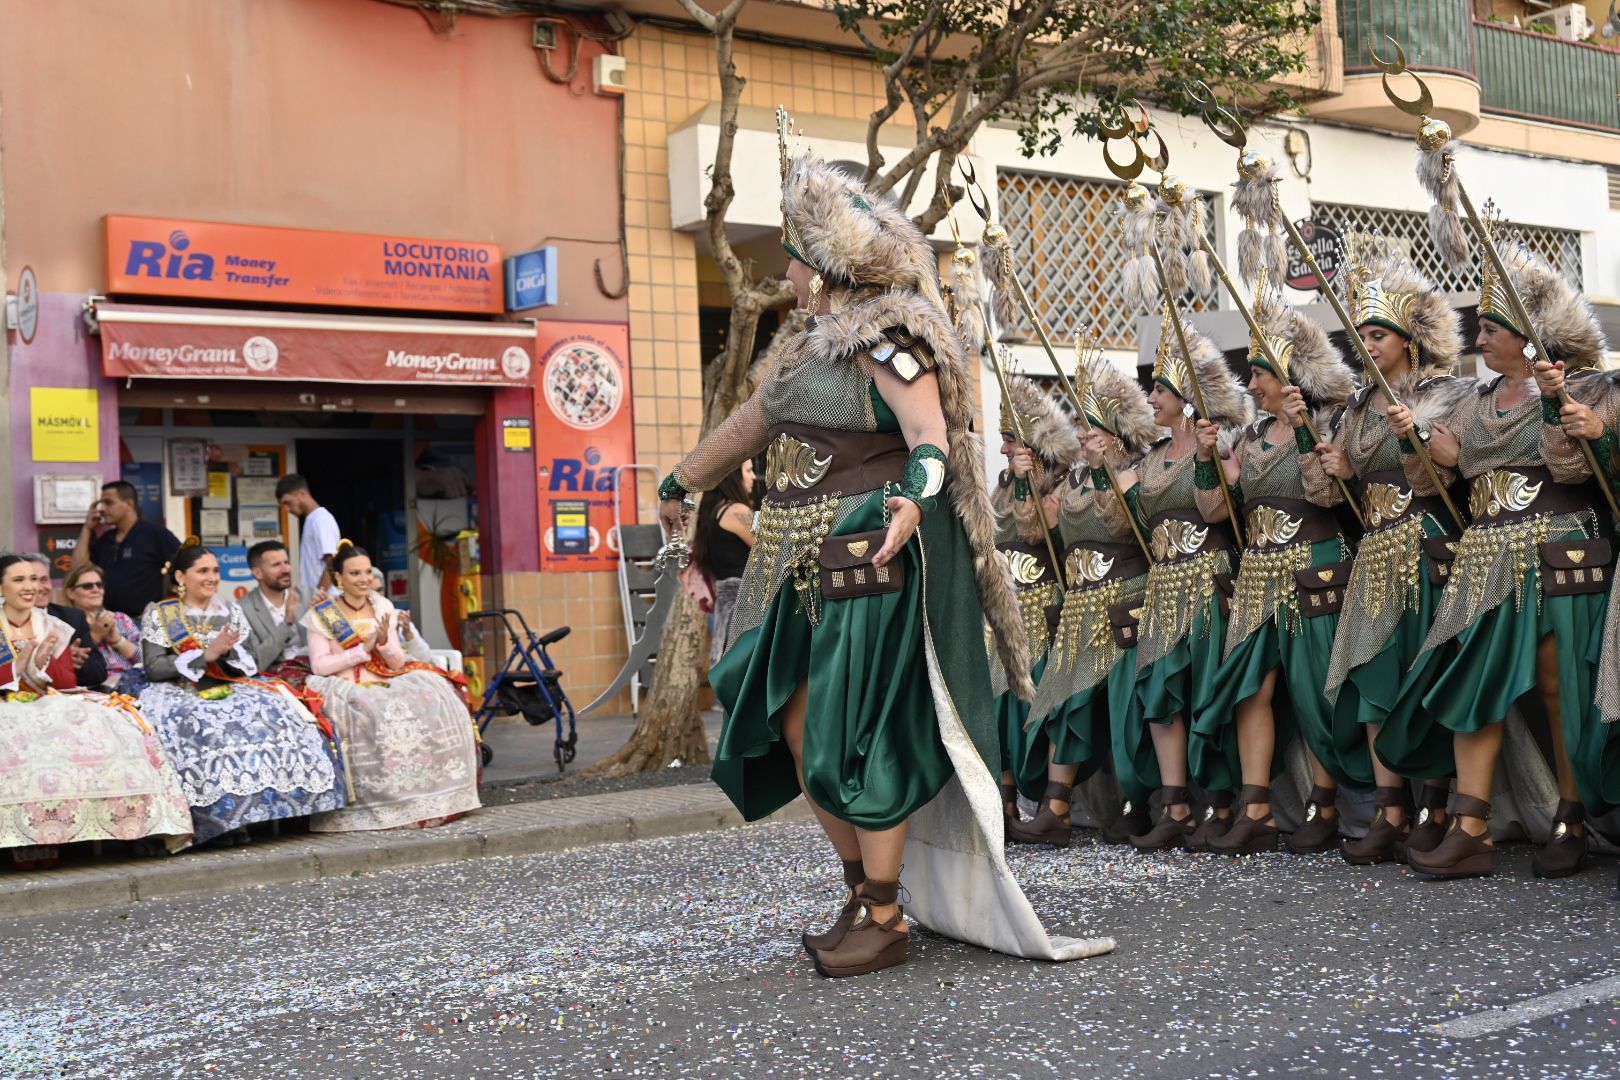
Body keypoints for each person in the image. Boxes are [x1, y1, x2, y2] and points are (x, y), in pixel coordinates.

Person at [659, 129, 1114, 978]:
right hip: (788, 559)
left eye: (792, 256)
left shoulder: (890, 336)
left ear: (821, 264)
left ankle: (884, 910)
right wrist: (680, 483)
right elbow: (749, 426)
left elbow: (929, 437)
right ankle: (859, 891)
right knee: (791, 721)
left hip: (865, 553)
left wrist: (914, 494)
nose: (785, 269)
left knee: (853, 729)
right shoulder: (798, 346)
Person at [1386, 239, 1610, 880]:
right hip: (1484, 556)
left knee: (1556, 685)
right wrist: (1418, 437)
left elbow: (1576, 464)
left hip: (1557, 551)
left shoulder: (1591, 387)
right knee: (1470, 682)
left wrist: (1555, 401)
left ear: (1528, 334)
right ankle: (1471, 825)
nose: (1479, 340)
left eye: (1490, 329)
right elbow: (1436, 478)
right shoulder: (1472, 401)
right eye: (1480, 330)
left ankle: (1572, 818)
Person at [1306, 242, 1473, 864]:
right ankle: (1389, 806)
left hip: (1428, 546)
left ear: (1409, 339)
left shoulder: (1446, 393)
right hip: (1375, 550)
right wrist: (1334, 465)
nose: (1367, 344)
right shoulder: (1354, 406)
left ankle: (1434, 803)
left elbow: (1446, 475)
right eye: (1363, 335)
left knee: (1422, 674)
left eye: (1378, 334)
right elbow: (1331, 489)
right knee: (1372, 673)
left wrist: (1415, 434)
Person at [1193, 287, 1365, 856]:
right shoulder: (1248, 436)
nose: (1252, 384)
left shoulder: (1333, 422)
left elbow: (1329, 494)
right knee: (1250, 689)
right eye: (1252, 372)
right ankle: (1258, 807)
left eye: (1261, 373)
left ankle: (1325, 801)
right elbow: (1214, 510)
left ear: (1291, 377)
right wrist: (1204, 461)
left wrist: (1310, 431)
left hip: (1317, 569)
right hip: (1259, 576)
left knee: (1316, 690)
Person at [1098, 315, 1252, 851]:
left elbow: (1217, 512)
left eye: (1161, 388)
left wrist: (1210, 459)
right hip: (1164, 587)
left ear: (1186, 398)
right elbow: (1120, 525)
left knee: (1209, 692)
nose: (1151, 397)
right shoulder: (1152, 459)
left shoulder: (1221, 446)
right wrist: (1108, 472)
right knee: (1163, 695)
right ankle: (1176, 803)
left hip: (1209, 579)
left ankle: (1225, 802)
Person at [1013, 359, 1161, 849]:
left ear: (1113, 433)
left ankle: (1141, 807)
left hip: (1125, 601)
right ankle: (1056, 809)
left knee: (1127, 711)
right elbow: (1036, 530)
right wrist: (1024, 483)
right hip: (1080, 607)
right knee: (1064, 703)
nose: (1079, 433)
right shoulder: (1070, 482)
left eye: (1088, 425)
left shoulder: (1136, 473)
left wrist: (1103, 473)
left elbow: (1125, 527)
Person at [137, 541, 345, 846]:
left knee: (275, 712)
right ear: (180, 577)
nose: (212, 577)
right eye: (203, 571)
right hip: (179, 691)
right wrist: (204, 656)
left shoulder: (228, 611)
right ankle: (219, 820)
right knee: (210, 726)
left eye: (216, 571)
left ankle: (272, 810)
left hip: (226, 685)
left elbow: (248, 661)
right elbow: (154, 667)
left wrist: (226, 656)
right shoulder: (161, 613)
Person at [0, 554, 193, 867]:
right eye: (19, 580)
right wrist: (20, 665)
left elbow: (65, 681)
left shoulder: (51, 625)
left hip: (47, 699)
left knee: (111, 725)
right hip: (6, 705)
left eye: (34, 579)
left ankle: (121, 828)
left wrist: (45, 657)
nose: (30, 586)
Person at [303, 541, 480, 832]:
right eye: (354, 573)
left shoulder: (382, 606)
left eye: (367, 572)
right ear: (338, 578)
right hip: (341, 682)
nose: (363, 580)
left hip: (384, 676)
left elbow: (397, 663)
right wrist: (363, 649)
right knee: (372, 712)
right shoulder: (322, 613)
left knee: (435, 698)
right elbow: (319, 666)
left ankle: (430, 798)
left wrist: (383, 644)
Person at [991, 376, 1078, 838]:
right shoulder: (1002, 485)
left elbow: (1034, 531)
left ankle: (1055, 808)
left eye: (1010, 441)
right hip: (1002, 613)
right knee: (1000, 707)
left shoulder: (1062, 481)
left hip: (1044, 608)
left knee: (1046, 705)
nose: (1004, 450)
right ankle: (1005, 807)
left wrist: (1028, 484)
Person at [71, 481, 181, 621]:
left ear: (128, 504)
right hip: (111, 620)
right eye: (102, 503)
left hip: (146, 621)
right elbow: (78, 568)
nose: (103, 509)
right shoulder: (106, 539)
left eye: (108, 503)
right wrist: (87, 528)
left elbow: (186, 563)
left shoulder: (154, 533)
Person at [690, 461, 758, 669]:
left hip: (726, 610)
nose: (754, 477)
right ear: (733, 477)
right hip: (745, 610)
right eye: (748, 471)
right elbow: (771, 549)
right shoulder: (736, 511)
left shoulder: (713, 514)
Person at [22, 554, 108, 691]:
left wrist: (73, 664)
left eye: (44, 580)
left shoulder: (72, 617)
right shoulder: (5, 622)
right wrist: (61, 659)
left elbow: (98, 673)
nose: (40, 588)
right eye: (33, 580)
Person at [239, 540, 311, 689]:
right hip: (275, 682)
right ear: (258, 573)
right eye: (276, 565)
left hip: (314, 672)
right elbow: (255, 663)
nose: (286, 569)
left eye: (286, 562)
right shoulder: (243, 609)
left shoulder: (308, 595)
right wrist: (287, 624)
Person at [63, 562, 142, 693]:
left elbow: (146, 661)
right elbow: (72, 668)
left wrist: (118, 641)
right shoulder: (65, 624)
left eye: (99, 585)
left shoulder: (121, 619)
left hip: (134, 685)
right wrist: (95, 636)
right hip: (93, 692)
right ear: (70, 593)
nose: (96, 589)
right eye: (87, 586)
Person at [275, 475, 341, 602]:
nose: (287, 509)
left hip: (326, 601)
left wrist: (317, 598)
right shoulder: (312, 519)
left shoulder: (321, 519)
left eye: (287, 502)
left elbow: (332, 562)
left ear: (302, 494)